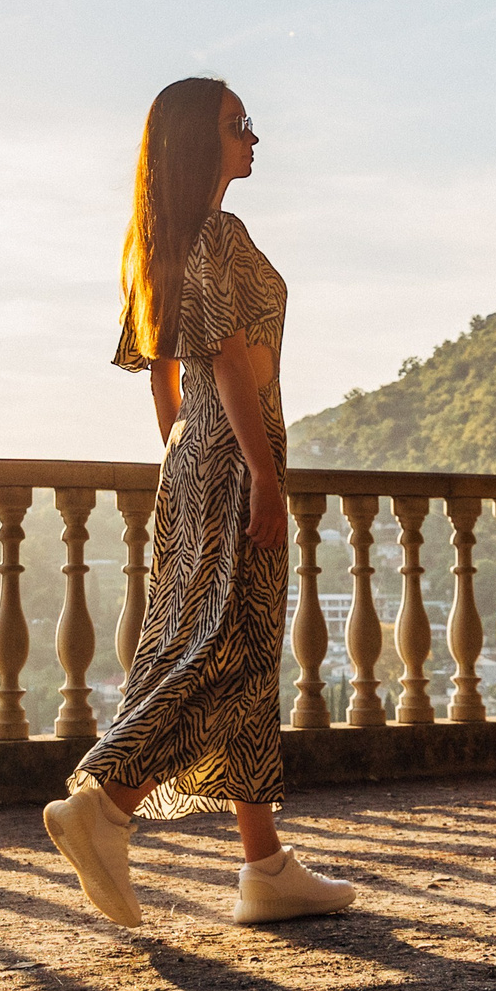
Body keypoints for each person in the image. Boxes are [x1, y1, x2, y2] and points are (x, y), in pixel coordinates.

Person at [43, 77, 357, 928]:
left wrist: (190, 456)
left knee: (222, 643)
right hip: (234, 454)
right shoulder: (218, 233)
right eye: (236, 125)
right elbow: (222, 360)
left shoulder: (160, 242)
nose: (253, 136)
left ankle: (265, 867)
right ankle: (107, 801)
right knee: (228, 648)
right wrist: (258, 471)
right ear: (196, 142)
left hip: (190, 458)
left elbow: (164, 376)